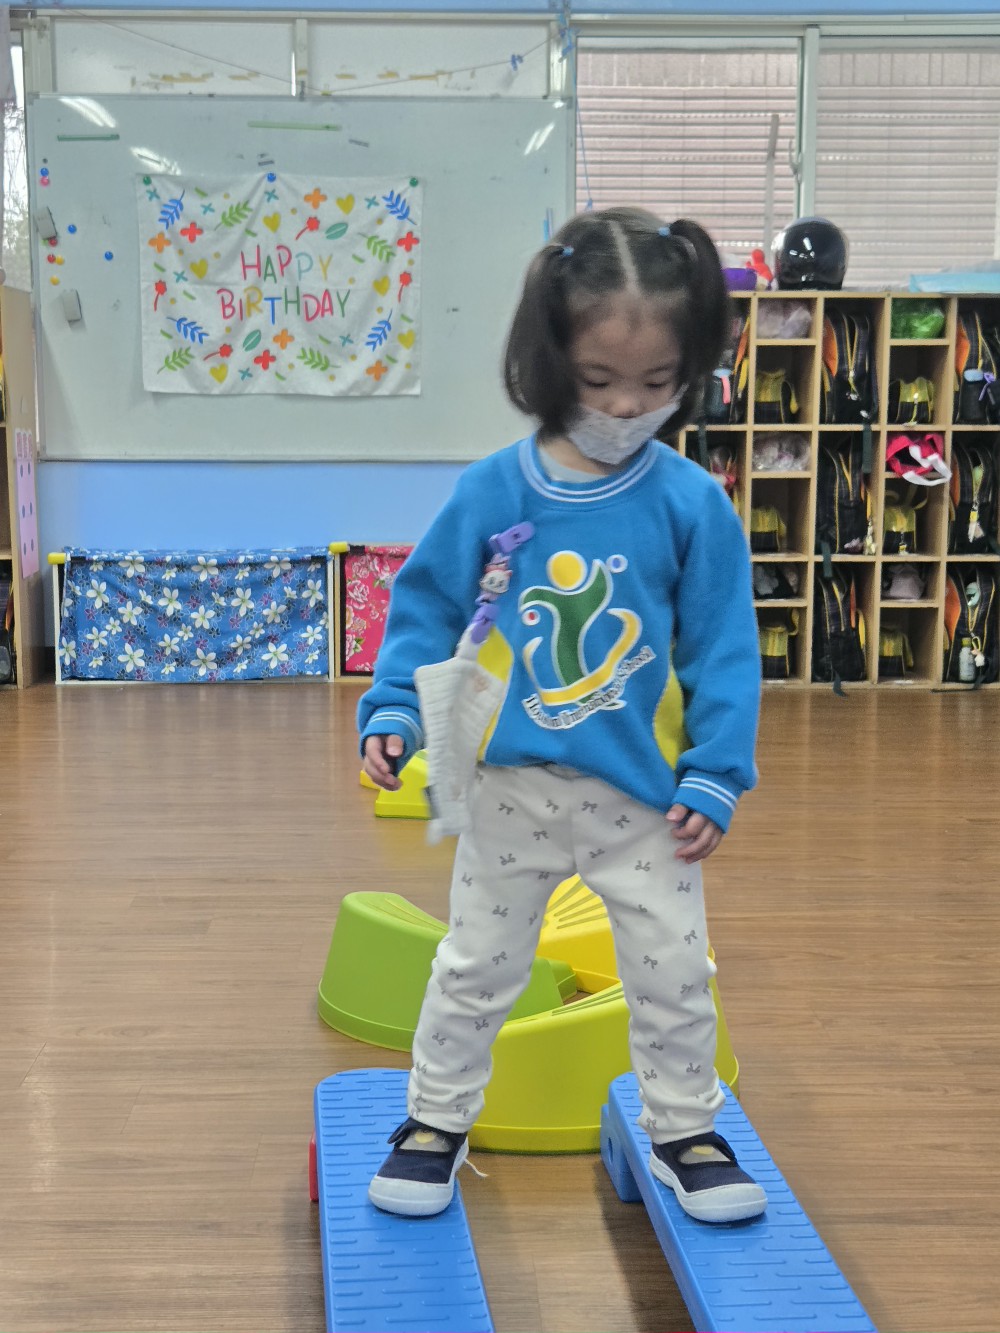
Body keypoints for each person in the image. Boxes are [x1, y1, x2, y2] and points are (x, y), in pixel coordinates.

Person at [357, 206, 766, 1225]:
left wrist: (717, 769)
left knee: (675, 974)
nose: (628, 406)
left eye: (657, 382)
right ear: (547, 362)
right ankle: (434, 1121)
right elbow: (425, 606)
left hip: (645, 801)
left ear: (690, 369)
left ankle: (684, 1130)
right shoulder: (494, 490)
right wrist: (393, 706)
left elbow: (722, 647)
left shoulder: (691, 503)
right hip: (511, 789)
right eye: (598, 379)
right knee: (474, 967)